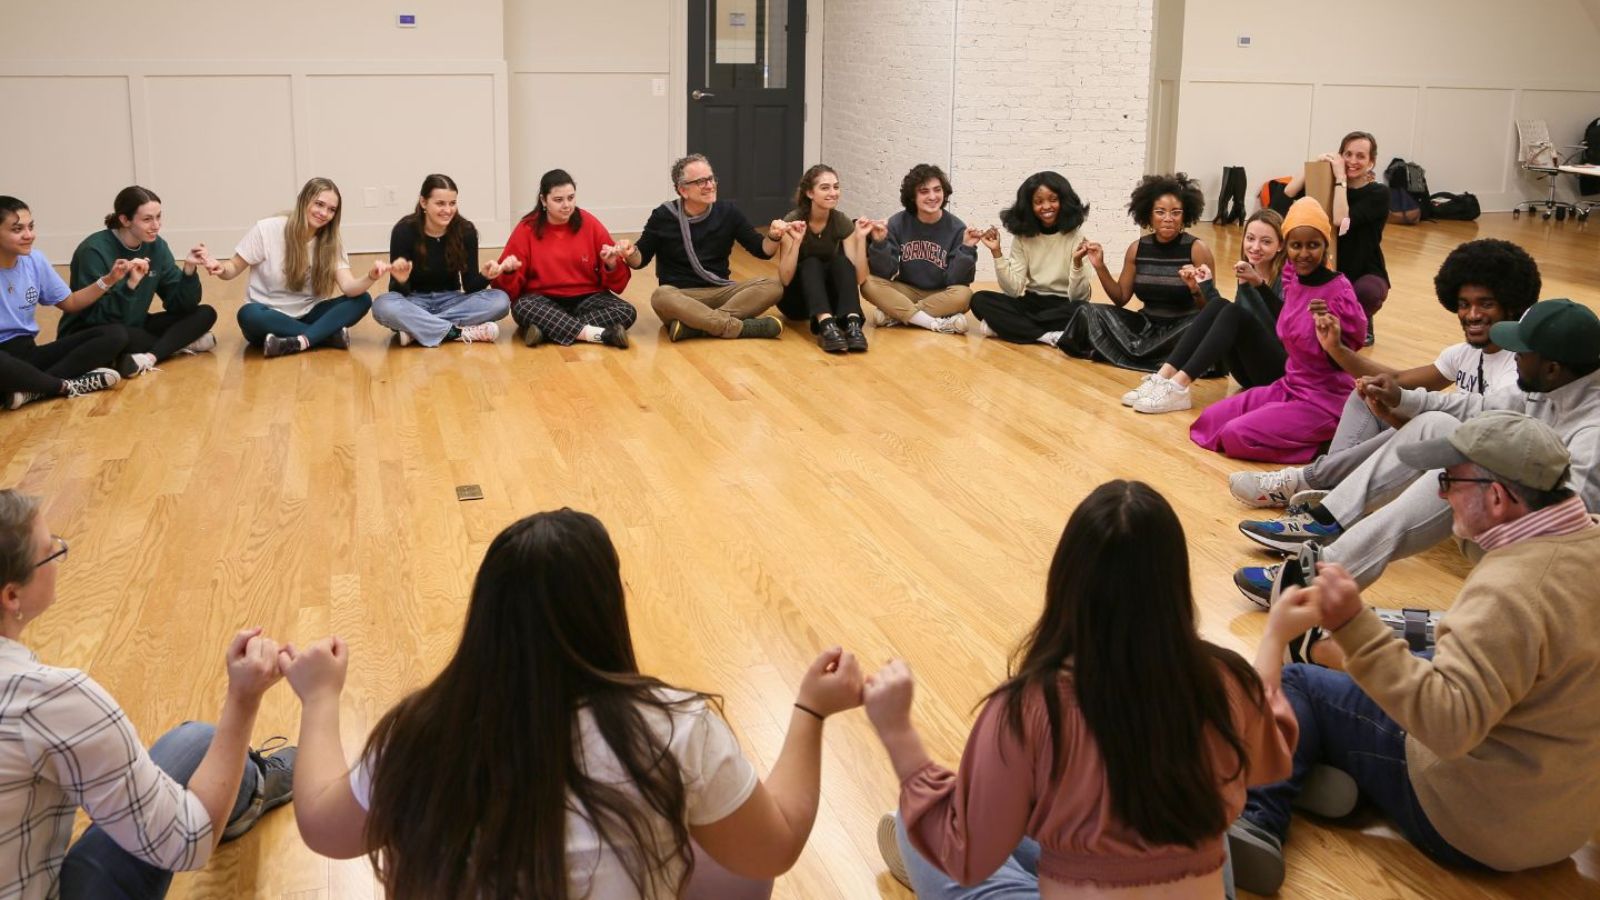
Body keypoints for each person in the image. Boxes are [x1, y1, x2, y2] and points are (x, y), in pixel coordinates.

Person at [281, 508, 862, 899]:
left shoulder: (421, 730)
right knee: (743, 867)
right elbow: (776, 846)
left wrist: (320, 697)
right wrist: (811, 711)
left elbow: (324, 828)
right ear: (606, 608)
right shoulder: (675, 727)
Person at [864, 481, 1298, 899]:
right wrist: (1275, 638)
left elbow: (965, 857)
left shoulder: (1029, 709)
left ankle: (926, 835)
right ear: (1175, 585)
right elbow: (1267, 760)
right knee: (1184, 807)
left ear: (1067, 582)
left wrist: (898, 734)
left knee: (922, 817)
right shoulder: (1225, 681)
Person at [1228, 412, 1600, 896]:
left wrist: (1353, 624)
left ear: (1497, 497)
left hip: (1473, 826)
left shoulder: (1510, 590)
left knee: (1302, 684)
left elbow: (1447, 726)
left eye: (1449, 480)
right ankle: (1333, 770)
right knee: (1424, 657)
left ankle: (1257, 820)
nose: (1441, 494)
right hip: (1563, 820)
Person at [0, 489, 295, 899]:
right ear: (12, 595)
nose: (59, 556)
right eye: (51, 552)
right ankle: (248, 788)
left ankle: (242, 790)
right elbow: (187, 841)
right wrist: (244, 699)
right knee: (197, 743)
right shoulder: (50, 699)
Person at [1231, 298, 1600, 606]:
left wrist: (1484, 481)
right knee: (1437, 424)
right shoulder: (1548, 386)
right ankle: (1327, 517)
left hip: (1551, 569)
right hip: (1518, 530)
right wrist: (1402, 398)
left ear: (1552, 367)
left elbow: (1566, 529)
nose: (1513, 354)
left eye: (1522, 350)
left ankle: (1318, 579)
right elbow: (1476, 409)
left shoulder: (1593, 433)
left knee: (1465, 467)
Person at [1229, 239, 1539, 507]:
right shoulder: (1462, 353)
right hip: (1443, 449)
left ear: (1510, 305)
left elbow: (1473, 435)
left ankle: (1309, 480)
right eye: (1464, 304)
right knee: (1368, 392)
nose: (1472, 315)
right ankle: (1328, 491)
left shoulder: (1520, 365)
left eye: (1485, 304)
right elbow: (1397, 382)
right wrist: (1337, 349)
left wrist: (1401, 411)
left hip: (1484, 472)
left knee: (1431, 419)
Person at [1189, 197, 1366, 461]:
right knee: (1209, 420)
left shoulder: (1339, 293)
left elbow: (1347, 361)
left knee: (1235, 435)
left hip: (1323, 398)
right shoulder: (1293, 278)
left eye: (1313, 245)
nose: (1303, 253)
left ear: (1325, 246)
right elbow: (1281, 314)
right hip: (1289, 384)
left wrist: (1333, 342)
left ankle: (1325, 444)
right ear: (1287, 248)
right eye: (1297, 245)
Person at [1121, 208, 1287, 413]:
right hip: (1247, 373)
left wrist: (1257, 284)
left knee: (1233, 311)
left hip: (1279, 374)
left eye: (1266, 241)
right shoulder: (1246, 270)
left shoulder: (1287, 278)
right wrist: (1205, 286)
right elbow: (1228, 322)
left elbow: (1284, 327)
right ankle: (1162, 377)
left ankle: (1179, 387)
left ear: (1280, 245)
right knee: (1221, 306)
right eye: (1250, 238)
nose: (1255, 247)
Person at [1062, 172, 1219, 373]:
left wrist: (1196, 289)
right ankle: (1156, 359)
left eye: (1176, 212)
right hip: (1146, 327)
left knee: (1204, 326)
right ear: (1148, 214)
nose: (1168, 219)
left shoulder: (1198, 249)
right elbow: (1120, 298)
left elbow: (1212, 309)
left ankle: (1125, 354)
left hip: (1182, 328)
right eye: (1160, 212)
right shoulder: (1137, 248)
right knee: (1086, 311)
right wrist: (1100, 266)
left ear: (1186, 214)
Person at [207, 178, 377, 358]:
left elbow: (350, 287)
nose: (324, 213)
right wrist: (221, 268)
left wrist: (370, 277)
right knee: (248, 315)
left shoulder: (330, 242)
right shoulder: (267, 229)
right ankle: (324, 336)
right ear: (304, 200)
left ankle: (298, 342)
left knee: (362, 299)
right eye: (319, 204)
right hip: (269, 316)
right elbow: (233, 266)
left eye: (331, 209)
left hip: (310, 313)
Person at [625, 154, 784, 342]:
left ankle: (696, 327)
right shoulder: (664, 216)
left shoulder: (728, 212)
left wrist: (774, 236)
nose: (710, 185)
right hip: (681, 298)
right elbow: (639, 260)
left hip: (721, 292)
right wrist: (630, 252)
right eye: (701, 182)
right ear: (683, 190)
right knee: (660, 296)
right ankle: (741, 327)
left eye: (711, 178)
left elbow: (762, 250)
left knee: (773, 286)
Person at [63, 185, 218, 376]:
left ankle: (149, 356)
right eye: (147, 219)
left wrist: (188, 271)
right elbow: (97, 317)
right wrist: (130, 286)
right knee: (123, 336)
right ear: (125, 220)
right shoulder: (93, 251)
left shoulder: (157, 246)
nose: (156, 225)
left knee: (205, 313)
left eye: (158, 217)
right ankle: (176, 343)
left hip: (135, 323)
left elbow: (181, 306)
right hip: (96, 331)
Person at [0, 196, 128, 410]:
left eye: (31, 227)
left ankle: (29, 389)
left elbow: (71, 302)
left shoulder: (35, 260)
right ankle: (64, 386)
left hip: (26, 354)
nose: (29, 235)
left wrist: (109, 279)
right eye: (17, 230)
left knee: (115, 335)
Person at [494, 169, 635, 349]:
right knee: (522, 307)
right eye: (558, 200)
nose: (567, 205)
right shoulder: (526, 228)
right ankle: (600, 334)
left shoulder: (589, 223)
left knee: (626, 311)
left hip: (587, 297)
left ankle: (546, 330)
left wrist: (611, 264)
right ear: (543, 200)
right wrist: (509, 271)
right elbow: (506, 290)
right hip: (541, 300)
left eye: (571, 197)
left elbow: (619, 286)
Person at [370, 174, 509, 347]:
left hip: (452, 300)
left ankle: (417, 330)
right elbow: (397, 291)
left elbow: (470, 286)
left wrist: (485, 276)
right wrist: (402, 280)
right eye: (440, 203)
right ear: (423, 203)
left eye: (452, 203)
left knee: (501, 300)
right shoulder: (404, 231)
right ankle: (458, 332)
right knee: (382, 306)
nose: (448, 210)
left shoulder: (466, 231)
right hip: (414, 301)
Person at [1279, 131, 1388, 342]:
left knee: (1368, 291)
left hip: (1364, 268)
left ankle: (1363, 320)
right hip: (1330, 264)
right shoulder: (1330, 183)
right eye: (1347, 154)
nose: (1353, 161)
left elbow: (1341, 220)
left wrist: (1340, 179)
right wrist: (1315, 166)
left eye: (1360, 156)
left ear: (1371, 162)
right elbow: (1289, 193)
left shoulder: (1379, 194)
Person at [967, 171, 1093, 345]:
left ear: (1063, 201)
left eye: (1053, 199)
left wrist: (1078, 264)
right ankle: (1047, 336)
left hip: (1064, 305)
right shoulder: (1023, 237)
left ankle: (1007, 328)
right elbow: (1013, 290)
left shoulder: (1076, 237)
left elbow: (1080, 297)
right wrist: (997, 253)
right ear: (1029, 206)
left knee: (1085, 311)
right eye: (1038, 202)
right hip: (1031, 303)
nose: (1046, 206)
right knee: (979, 299)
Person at [860, 163, 976, 336]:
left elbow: (957, 280)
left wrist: (967, 248)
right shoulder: (897, 223)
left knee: (965, 295)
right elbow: (884, 273)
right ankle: (932, 322)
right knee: (868, 283)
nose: (932, 196)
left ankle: (896, 315)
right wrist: (879, 243)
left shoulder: (957, 228)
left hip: (941, 293)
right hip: (907, 291)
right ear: (913, 197)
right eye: (924, 191)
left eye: (937, 190)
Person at [776, 164, 871, 353]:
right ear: (810, 193)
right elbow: (785, 278)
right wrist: (796, 242)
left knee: (842, 262)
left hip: (829, 300)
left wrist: (860, 239)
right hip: (797, 301)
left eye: (836, 187)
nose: (833, 192)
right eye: (825, 187)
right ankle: (825, 325)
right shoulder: (793, 220)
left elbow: (858, 278)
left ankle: (853, 324)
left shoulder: (841, 221)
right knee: (811, 263)